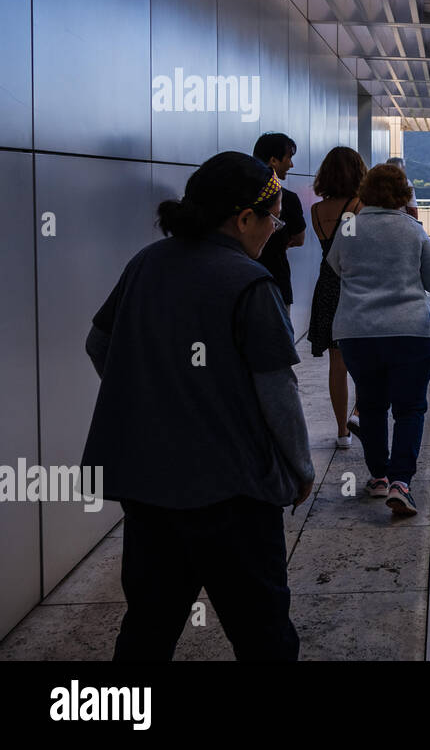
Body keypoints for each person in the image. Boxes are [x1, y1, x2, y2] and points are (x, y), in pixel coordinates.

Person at [81, 151, 313, 662]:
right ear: (243, 218)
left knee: (147, 628)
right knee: (263, 634)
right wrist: (301, 468)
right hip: (233, 494)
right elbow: (277, 392)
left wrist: (156, 399)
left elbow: (99, 345)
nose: (275, 229)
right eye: (273, 217)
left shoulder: (146, 263)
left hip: (150, 488)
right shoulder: (249, 283)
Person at [329, 164, 430, 516]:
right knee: (409, 408)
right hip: (411, 332)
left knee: (373, 404)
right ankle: (401, 484)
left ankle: (378, 477)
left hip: (358, 332)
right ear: (403, 195)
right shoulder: (412, 229)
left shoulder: (349, 227)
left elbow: (335, 267)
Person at [307, 146, 367, 449]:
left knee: (337, 363)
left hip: (327, 285)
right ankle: (360, 416)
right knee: (364, 359)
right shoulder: (359, 206)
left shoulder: (317, 210)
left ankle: (342, 432)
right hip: (354, 285)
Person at [252, 133, 306, 307]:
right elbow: (299, 239)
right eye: (288, 158)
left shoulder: (239, 196)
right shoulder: (287, 198)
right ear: (274, 161)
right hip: (276, 281)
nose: (291, 164)